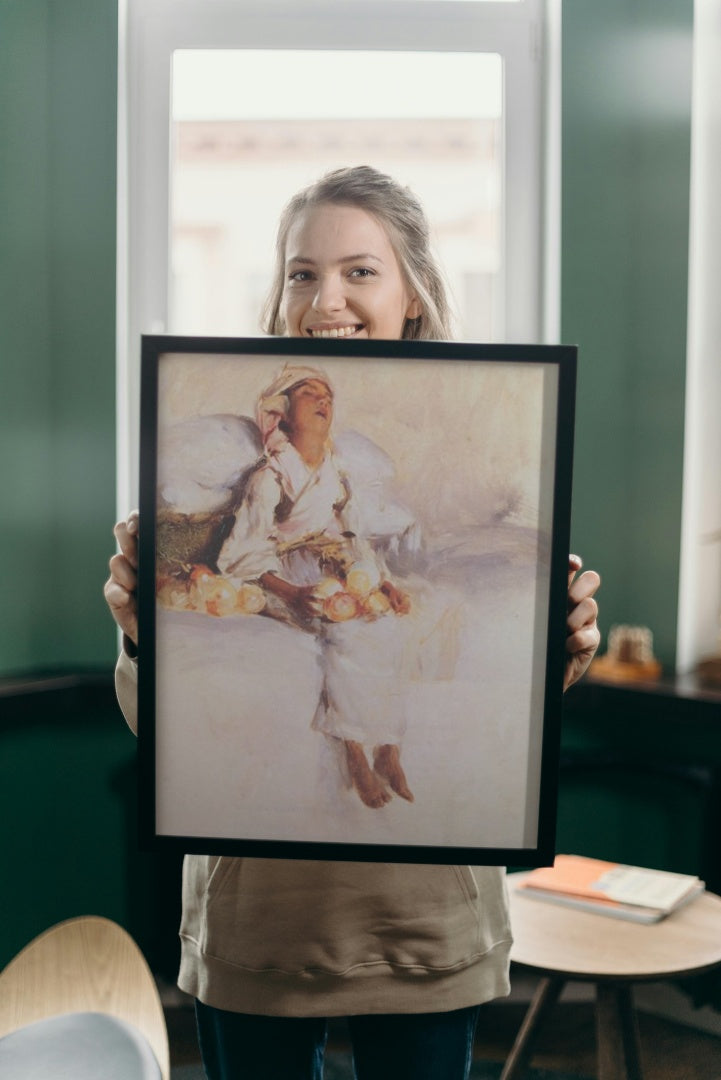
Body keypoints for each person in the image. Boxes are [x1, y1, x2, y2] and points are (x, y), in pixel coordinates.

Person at [105, 166, 601, 1080]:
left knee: (376, 623)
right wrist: (143, 636)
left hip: (424, 923)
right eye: (301, 273)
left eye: (358, 271)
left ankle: (379, 749)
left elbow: (402, 555)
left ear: (412, 292)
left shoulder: (367, 461)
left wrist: (557, 648)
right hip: (260, 926)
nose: (324, 297)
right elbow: (163, 723)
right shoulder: (248, 459)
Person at [216, 363, 414, 809]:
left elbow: (351, 537)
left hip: (334, 568)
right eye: (309, 394)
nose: (324, 401)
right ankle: (355, 754)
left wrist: (383, 583)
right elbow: (241, 552)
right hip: (286, 576)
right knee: (344, 631)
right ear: (282, 413)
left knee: (387, 626)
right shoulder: (270, 477)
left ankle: (389, 749)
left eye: (328, 395)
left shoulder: (336, 473)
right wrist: (291, 594)